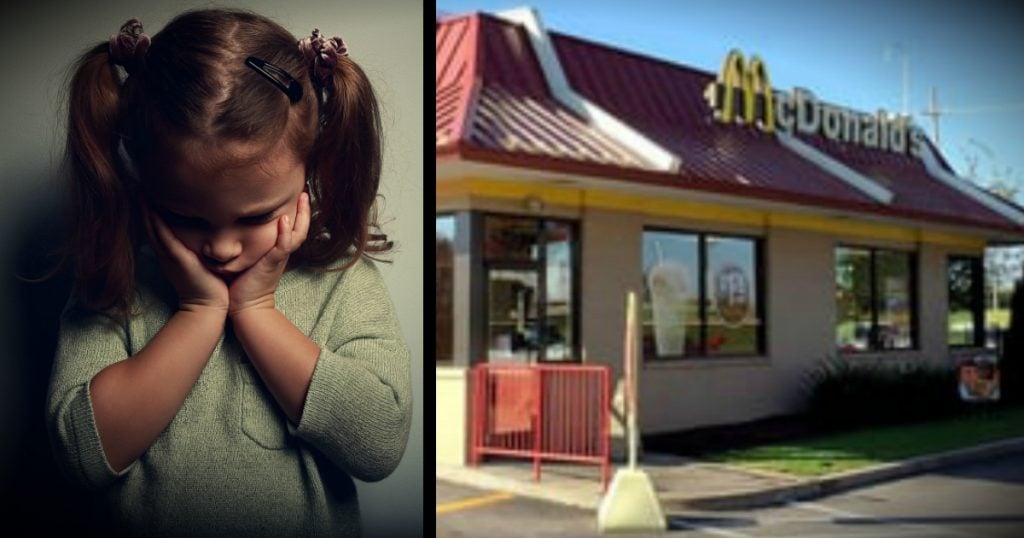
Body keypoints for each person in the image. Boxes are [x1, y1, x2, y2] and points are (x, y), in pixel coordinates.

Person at [44, 8, 412, 537]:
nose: (220, 247)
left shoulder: (340, 279)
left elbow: (378, 444)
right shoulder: (116, 278)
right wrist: (200, 311)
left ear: (309, 178)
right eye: (184, 217)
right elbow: (82, 457)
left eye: (256, 216)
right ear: (141, 184)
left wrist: (256, 310)